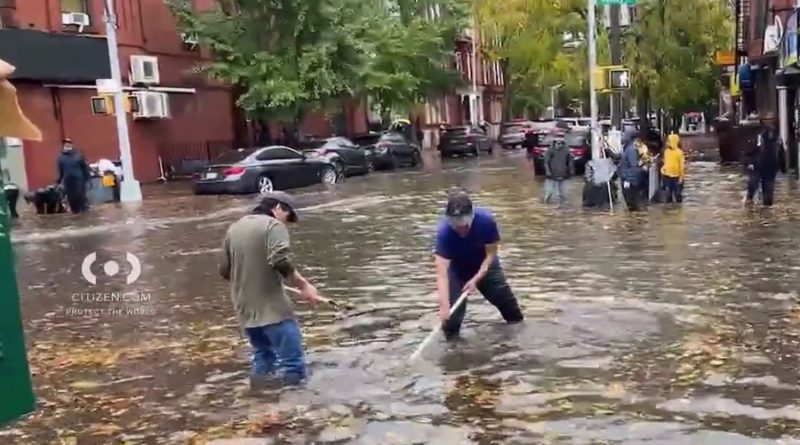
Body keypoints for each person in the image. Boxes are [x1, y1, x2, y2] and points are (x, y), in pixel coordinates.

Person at [219, 192, 327, 385]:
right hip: (273, 311)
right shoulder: (273, 226)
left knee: (263, 357)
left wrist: (253, 277)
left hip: (246, 312)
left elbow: (224, 270)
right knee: (292, 364)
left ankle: (259, 397)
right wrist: (304, 286)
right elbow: (279, 260)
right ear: (277, 207)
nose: (286, 222)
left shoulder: (234, 228)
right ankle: (293, 402)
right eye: (287, 216)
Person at [434, 190, 524, 339]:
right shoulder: (444, 233)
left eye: (464, 224)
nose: (460, 229)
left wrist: (476, 279)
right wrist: (443, 305)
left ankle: (515, 340)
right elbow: (441, 273)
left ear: (471, 216)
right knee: (451, 320)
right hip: (456, 270)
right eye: (456, 225)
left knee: (510, 308)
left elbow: (491, 254)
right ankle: (453, 348)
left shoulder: (486, 222)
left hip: (484, 263)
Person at [744, 115, 783, 206]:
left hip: (770, 167)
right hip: (757, 165)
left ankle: (765, 209)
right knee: (753, 185)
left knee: (768, 195)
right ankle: (749, 203)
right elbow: (749, 150)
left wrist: (782, 166)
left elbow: (780, 152)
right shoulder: (758, 136)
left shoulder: (776, 138)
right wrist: (749, 163)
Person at [56, 138, 90, 214]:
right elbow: (60, 171)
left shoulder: (78, 155)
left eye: (69, 143)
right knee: (71, 198)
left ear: (72, 144)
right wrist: (59, 181)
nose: (67, 144)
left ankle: (84, 211)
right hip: (68, 181)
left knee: (80, 197)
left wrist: (87, 179)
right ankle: (75, 212)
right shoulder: (60, 157)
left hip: (79, 180)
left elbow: (85, 167)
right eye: (65, 143)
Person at [618, 129, 646, 211]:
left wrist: (628, 180)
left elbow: (634, 166)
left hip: (630, 181)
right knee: (632, 205)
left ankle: (634, 218)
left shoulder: (630, 149)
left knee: (632, 204)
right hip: (629, 179)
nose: (622, 137)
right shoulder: (628, 148)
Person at [543, 135, 572, 203]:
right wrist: (548, 172)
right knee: (549, 190)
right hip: (552, 174)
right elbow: (546, 162)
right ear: (555, 143)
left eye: (561, 143)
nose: (560, 145)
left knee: (562, 191)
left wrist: (570, 171)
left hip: (563, 173)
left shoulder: (566, 150)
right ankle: (546, 202)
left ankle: (562, 202)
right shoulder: (550, 150)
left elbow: (569, 162)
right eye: (558, 143)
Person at [661, 132, 685, 203]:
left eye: (668, 141)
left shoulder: (679, 152)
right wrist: (662, 169)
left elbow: (681, 166)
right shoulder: (666, 152)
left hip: (676, 177)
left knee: (677, 195)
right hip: (667, 176)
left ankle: (677, 207)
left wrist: (681, 178)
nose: (667, 143)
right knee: (668, 195)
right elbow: (666, 163)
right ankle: (669, 207)